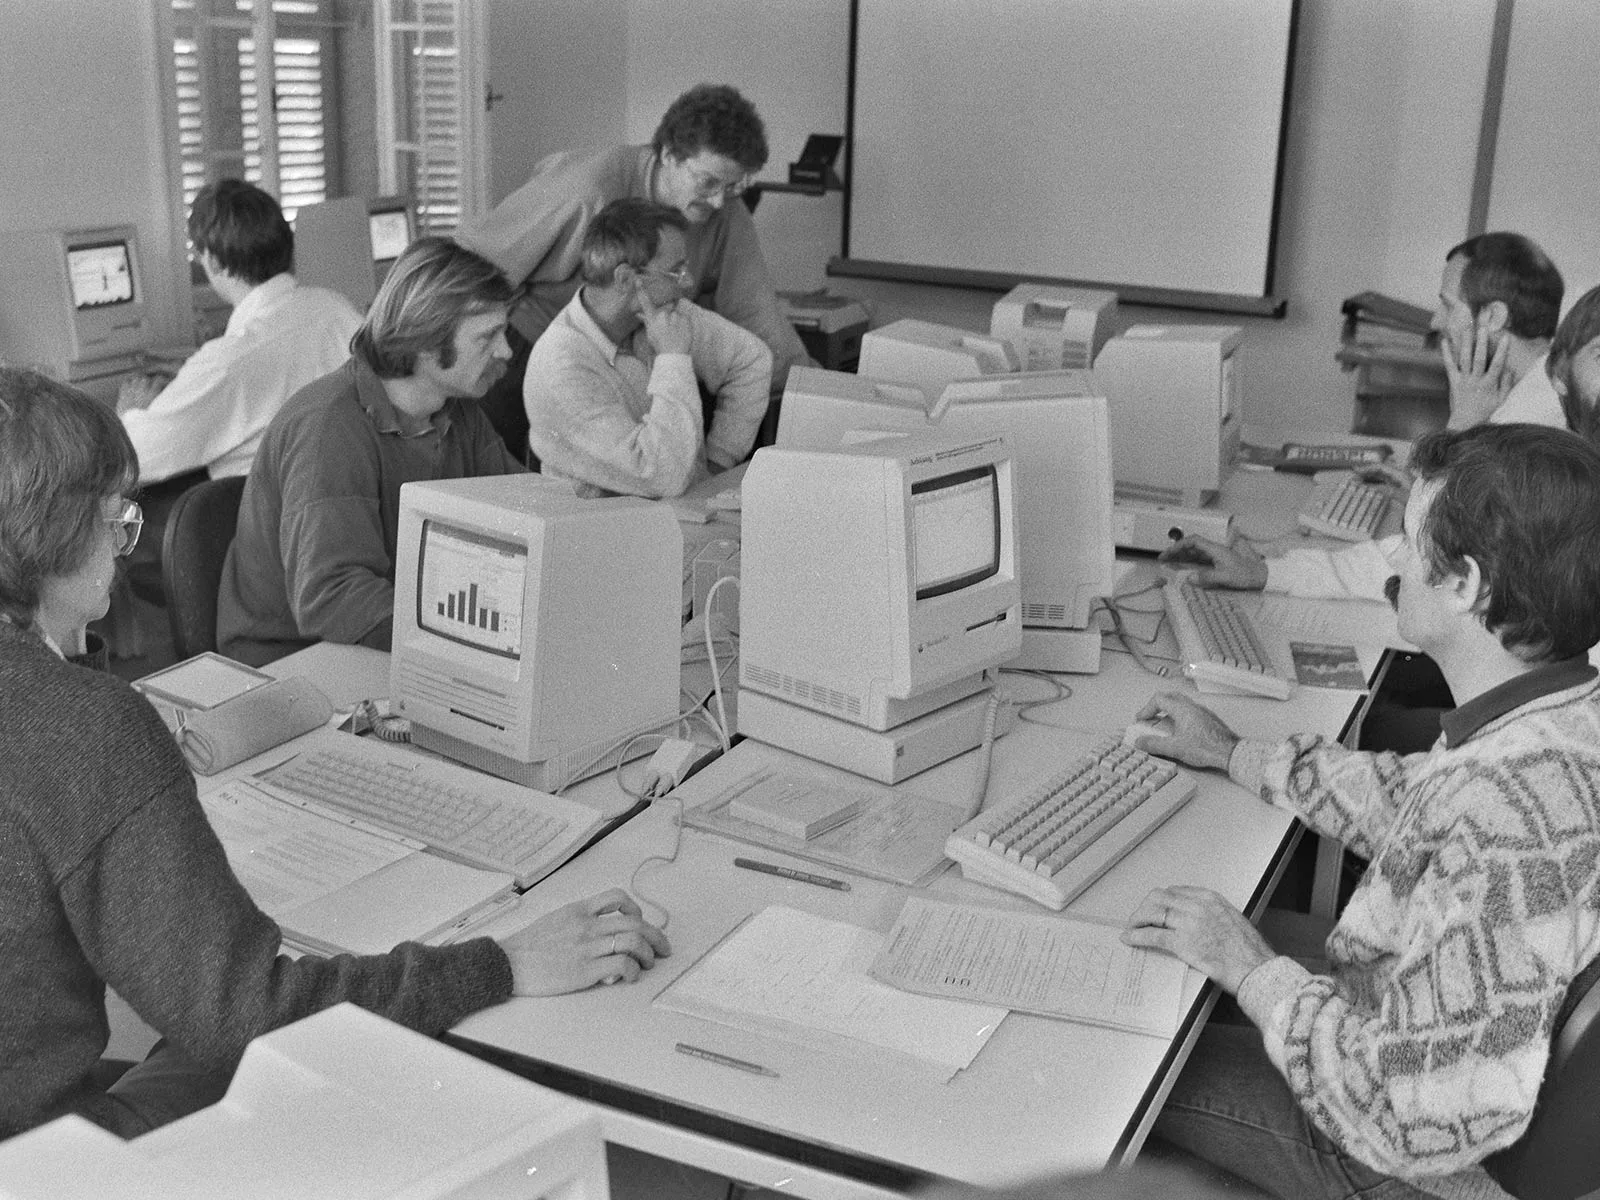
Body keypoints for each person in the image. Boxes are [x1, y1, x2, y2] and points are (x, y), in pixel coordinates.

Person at [0, 366, 669, 1140]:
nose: (120, 551)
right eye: (118, 521)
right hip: (40, 1160)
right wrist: (506, 963)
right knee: (302, 1063)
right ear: (51, 534)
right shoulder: (81, 726)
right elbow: (245, 1013)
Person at [1121, 423, 1600, 1198]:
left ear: (1467, 585)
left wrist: (1252, 968)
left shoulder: (1503, 815)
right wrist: (1237, 752)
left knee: (1140, 1067)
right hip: (1422, 1037)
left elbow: (1404, 1114)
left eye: (1408, 542)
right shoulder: (1568, 716)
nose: (1397, 564)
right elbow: (1418, 808)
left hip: (1410, 1156)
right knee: (1188, 973)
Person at [455, 83, 813, 454]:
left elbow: (759, 317)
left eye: (733, 186)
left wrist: (816, 396)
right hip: (533, 347)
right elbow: (477, 263)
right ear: (670, 154)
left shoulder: (724, 212)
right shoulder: (585, 186)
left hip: (633, 355)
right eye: (708, 182)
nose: (720, 200)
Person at [216, 237, 526, 666]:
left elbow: (525, 513)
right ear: (425, 340)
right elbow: (333, 596)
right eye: (488, 335)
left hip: (393, 637)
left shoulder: (456, 412)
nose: (506, 351)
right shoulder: (329, 428)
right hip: (298, 660)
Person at [117, 179, 362, 484]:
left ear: (214, 261)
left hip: (264, 520)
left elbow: (132, 462)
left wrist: (129, 414)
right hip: (346, 498)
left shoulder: (228, 361)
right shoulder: (336, 308)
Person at [524, 198, 770, 498]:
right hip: (603, 531)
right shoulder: (560, 366)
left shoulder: (659, 311)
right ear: (627, 278)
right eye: (675, 271)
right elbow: (662, 478)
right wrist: (673, 357)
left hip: (679, 512)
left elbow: (752, 360)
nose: (689, 282)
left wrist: (719, 461)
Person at [1432, 231, 1563, 430]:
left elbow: (1455, 462)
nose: (1435, 322)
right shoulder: (1538, 390)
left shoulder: (1532, 422)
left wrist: (1462, 424)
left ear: (1494, 316)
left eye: (1449, 307)